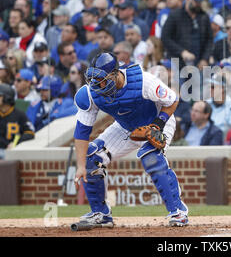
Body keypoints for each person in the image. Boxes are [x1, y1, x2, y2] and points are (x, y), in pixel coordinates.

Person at [72, 52, 188, 228]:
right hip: (125, 127)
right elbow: (82, 131)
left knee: (150, 156)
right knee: (91, 156)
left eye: (102, 79)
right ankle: (101, 214)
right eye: (94, 80)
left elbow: (172, 100)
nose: (97, 85)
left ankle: (178, 212)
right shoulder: (89, 93)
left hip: (157, 120)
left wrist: (157, 125)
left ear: (115, 73)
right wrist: (80, 166)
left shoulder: (143, 81)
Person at [0, 84, 35, 159]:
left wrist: (16, 142)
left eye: (0, 96)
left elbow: (30, 132)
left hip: (11, 152)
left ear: (7, 98)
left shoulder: (19, 115)